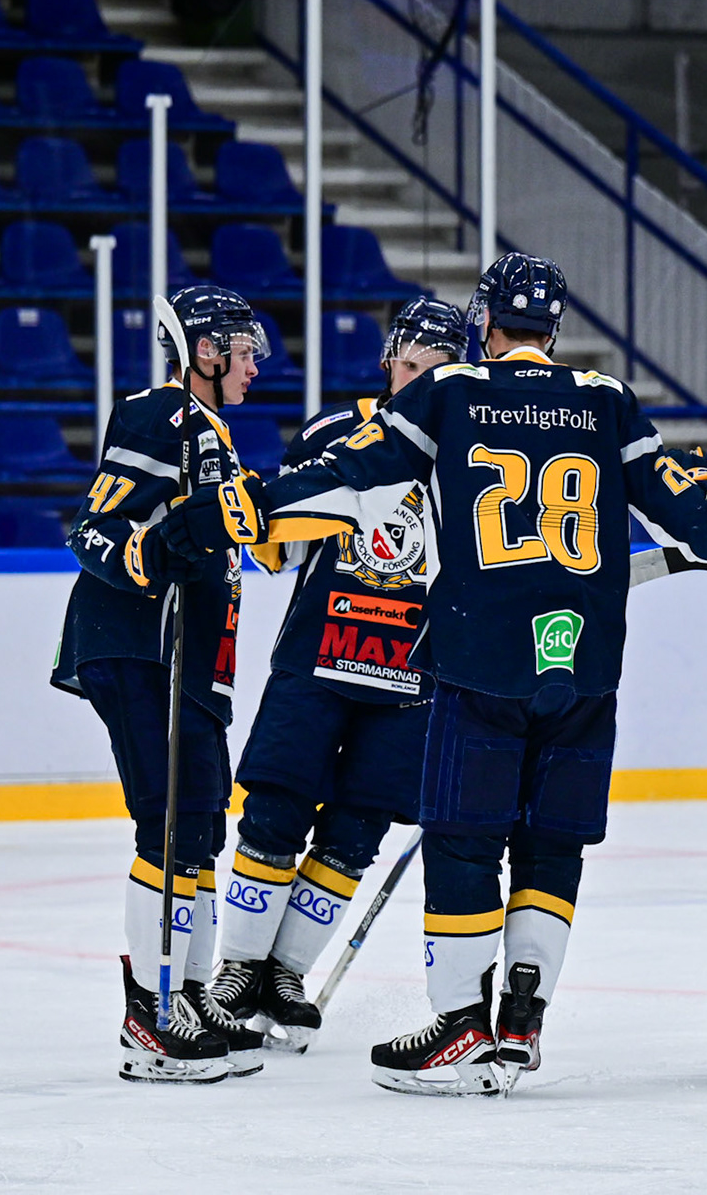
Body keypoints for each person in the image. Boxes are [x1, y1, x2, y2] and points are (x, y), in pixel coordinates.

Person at [166, 252, 707, 1096]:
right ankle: (521, 1026)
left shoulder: (450, 393)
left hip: (480, 661)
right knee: (552, 844)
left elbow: (346, 473)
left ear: (484, 322)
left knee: (465, 839)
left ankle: (461, 1030)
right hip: (584, 670)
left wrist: (232, 508)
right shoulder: (607, 400)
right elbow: (699, 519)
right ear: (554, 329)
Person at [198, 298, 468, 1053]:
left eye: (436, 372)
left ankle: (284, 973)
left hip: (411, 677)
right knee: (274, 813)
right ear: (388, 363)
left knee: (355, 832)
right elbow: (277, 549)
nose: (419, 384)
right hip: (317, 658)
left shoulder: (470, 452)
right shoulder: (334, 432)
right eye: (410, 367)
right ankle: (239, 968)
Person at [49, 284, 268, 1084]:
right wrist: (149, 552)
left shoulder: (214, 433)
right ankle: (151, 1010)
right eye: (241, 351)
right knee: (168, 825)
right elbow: (96, 530)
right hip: (142, 647)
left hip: (190, 663)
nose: (252, 366)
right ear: (204, 350)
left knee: (201, 825)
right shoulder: (161, 415)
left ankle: (192, 992)